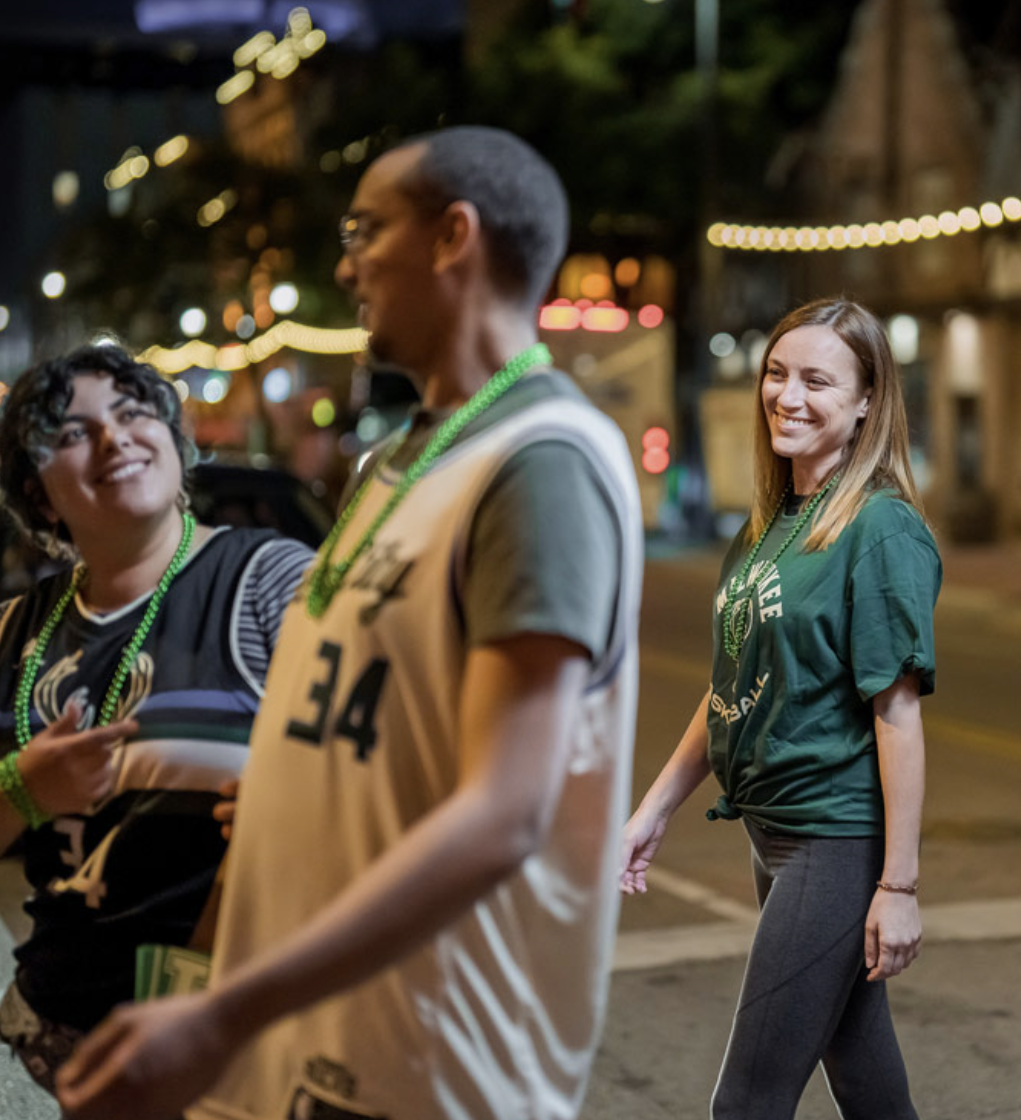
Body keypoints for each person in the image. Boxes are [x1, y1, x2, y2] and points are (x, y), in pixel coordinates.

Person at [55, 125, 644, 1120]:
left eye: (366, 230)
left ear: (453, 236)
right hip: (319, 1043)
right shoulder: (397, 463)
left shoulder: (541, 462)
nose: (345, 262)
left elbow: (506, 810)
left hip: (424, 1060)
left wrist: (221, 1014)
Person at [621, 297, 939, 1120]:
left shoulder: (879, 530)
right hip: (775, 835)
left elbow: (897, 715)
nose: (787, 396)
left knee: (748, 1101)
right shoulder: (769, 525)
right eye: (776, 373)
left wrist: (897, 886)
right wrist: (654, 808)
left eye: (817, 382)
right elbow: (729, 684)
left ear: (868, 401)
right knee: (864, 1075)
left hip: (833, 842)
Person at [0, 343, 311, 1093]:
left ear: (173, 441)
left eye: (134, 413)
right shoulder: (15, 630)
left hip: (236, 1037)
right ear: (41, 496)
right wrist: (23, 788)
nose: (114, 439)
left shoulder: (271, 583)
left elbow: (369, 772)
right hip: (64, 1039)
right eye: (73, 433)